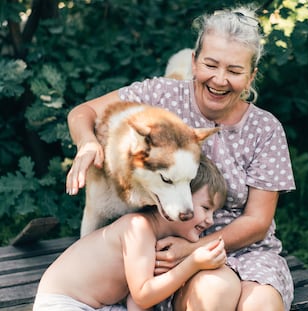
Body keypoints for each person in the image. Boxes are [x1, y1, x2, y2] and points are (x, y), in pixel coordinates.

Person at [66, 5, 296, 311]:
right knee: (214, 293)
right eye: (211, 65)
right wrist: (87, 143)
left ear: (252, 75)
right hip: (169, 250)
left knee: (263, 305)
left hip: (245, 249)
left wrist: (193, 248)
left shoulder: (266, 129)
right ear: (194, 61)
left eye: (235, 71)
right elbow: (83, 113)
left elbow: (257, 221)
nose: (219, 79)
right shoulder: (161, 96)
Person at [34, 156, 228, 311]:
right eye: (205, 207)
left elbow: (136, 301)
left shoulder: (157, 240)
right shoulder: (138, 227)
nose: (210, 220)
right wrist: (192, 263)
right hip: (62, 304)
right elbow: (143, 295)